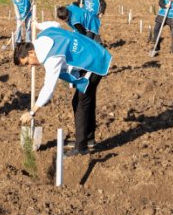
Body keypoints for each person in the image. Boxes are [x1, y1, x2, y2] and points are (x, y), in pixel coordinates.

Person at [15, 21, 112, 155]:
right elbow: (55, 25)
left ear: (31, 52)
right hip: (91, 52)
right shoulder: (44, 35)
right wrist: (38, 25)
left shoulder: (52, 58)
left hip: (93, 61)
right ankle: (87, 140)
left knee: (80, 103)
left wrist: (32, 112)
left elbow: (48, 88)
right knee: (85, 100)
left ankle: (81, 147)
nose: (30, 67)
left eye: (27, 63)